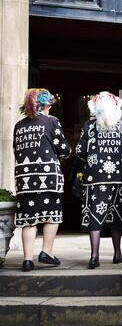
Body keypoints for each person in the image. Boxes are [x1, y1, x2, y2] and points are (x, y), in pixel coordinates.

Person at [13, 88, 71, 272]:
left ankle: (27, 260)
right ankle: (46, 251)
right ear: (46, 105)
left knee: (29, 220)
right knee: (52, 215)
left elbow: (17, 151)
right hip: (48, 178)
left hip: (25, 179)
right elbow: (63, 149)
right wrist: (67, 154)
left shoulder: (19, 126)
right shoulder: (51, 121)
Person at [76, 91, 122, 269]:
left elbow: (79, 151)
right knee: (116, 215)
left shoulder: (89, 126)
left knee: (95, 216)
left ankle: (94, 257)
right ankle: (117, 254)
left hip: (95, 179)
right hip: (118, 179)